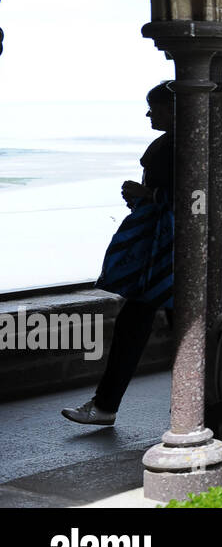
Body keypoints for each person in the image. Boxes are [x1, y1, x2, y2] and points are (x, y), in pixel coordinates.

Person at [62, 83, 175, 426]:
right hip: (162, 257)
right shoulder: (175, 143)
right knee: (160, 328)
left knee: (141, 325)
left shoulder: (186, 144)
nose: (148, 114)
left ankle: (107, 406)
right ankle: (107, 404)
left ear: (173, 108)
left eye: (154, 107)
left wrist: (149, 194)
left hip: (168, 257)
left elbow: (193, 199)